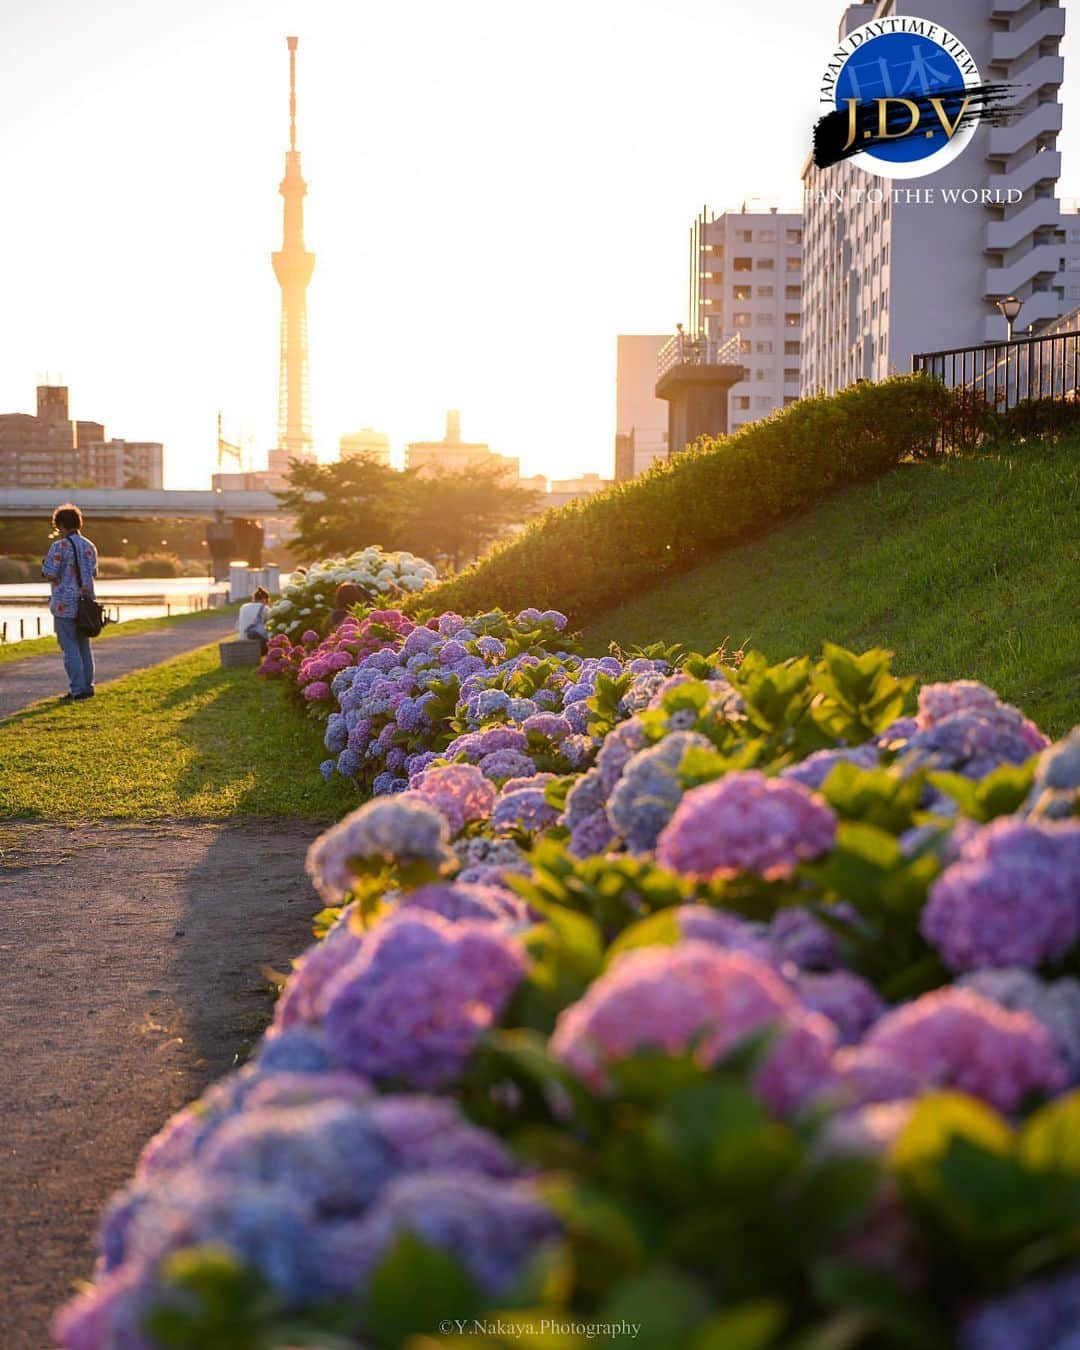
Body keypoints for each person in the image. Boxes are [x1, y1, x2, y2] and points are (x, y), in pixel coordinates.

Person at [41, 502, 98, 702]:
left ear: (61, 525)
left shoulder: (59, 546)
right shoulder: (90, 546)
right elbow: (94, 573)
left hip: (64, 603)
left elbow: (49, 573)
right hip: (86, 603)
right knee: (84, 646)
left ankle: (77, 690)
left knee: (70, 647)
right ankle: (88, 687)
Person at [236, 586, 271, 654]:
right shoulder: (265, 608)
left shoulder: (243, 606)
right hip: (256, 643)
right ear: (265, 599)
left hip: (242, 639)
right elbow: (271, 622)